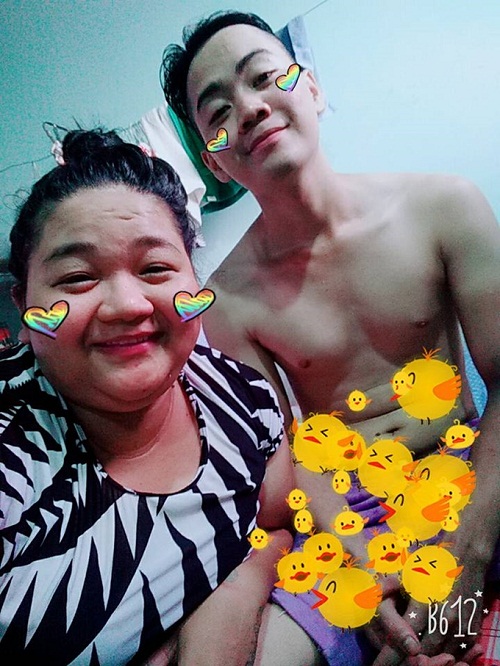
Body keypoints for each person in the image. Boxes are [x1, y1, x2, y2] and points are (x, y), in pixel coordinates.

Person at [161, 10, 500, 666]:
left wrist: (472, 549)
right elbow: (286, 446)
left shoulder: (445, 206)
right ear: (216, 160)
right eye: (219, 110)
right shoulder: (227, 300)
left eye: (265, 77)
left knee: (441, 632)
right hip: (348, 505)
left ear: (311, 89)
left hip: (467, 465)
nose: (250, 108)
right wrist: (359, 563)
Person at [0, 129, 294, 665]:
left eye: (156, 268)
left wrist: (234, 597)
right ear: (23, 303)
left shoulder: (244, 397)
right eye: (77, 277)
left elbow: (276, 524)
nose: (128, 305)